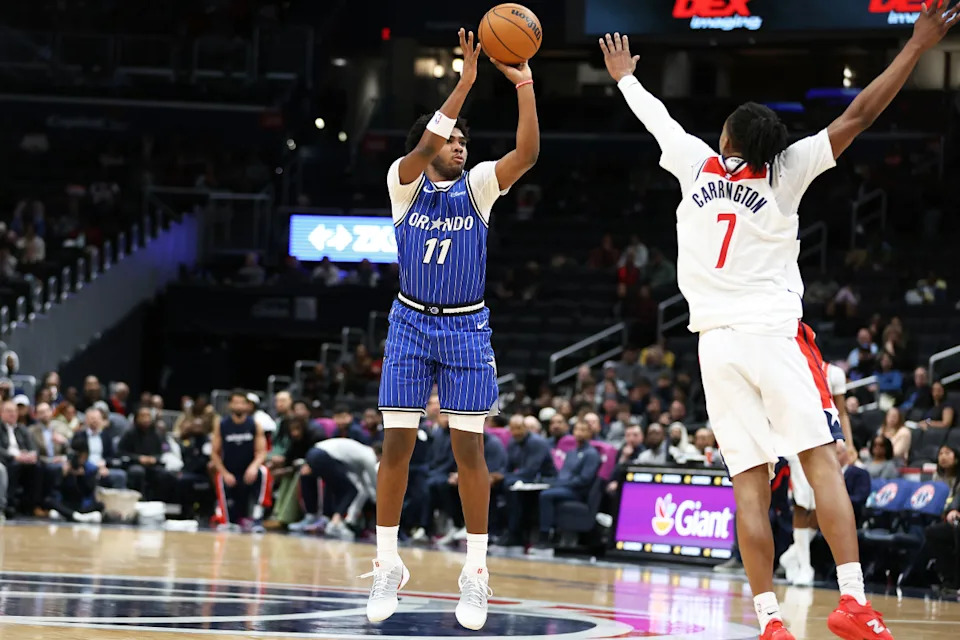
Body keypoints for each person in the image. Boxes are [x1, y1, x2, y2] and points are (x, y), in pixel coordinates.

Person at [598, 8, 960, 636]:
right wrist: (916, 44)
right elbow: (860, 114)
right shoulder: (786, 171)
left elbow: (654, 115)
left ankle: (768, 620)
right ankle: (852, 600)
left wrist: (625, 77)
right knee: (822, 461)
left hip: (714, 345)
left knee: (749, 484)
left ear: (726, 138)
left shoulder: (693, 163)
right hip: (771, 335)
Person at [365, 27, 539, 631]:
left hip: (467, 329)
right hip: (410, 321)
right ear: (428, 144)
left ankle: (476, 573)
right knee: (398, 447)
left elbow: (528, 154)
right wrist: (463, 83)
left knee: (470, 451)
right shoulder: (402, 181)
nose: (461, 146)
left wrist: (525, 86)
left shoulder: (480, 186)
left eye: (466, 140)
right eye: (452, 139)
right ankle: (388, 563)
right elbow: (430, 139)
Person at [210, 390, 270, 533]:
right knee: (219, 476)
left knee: (263, 471)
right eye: (235, 402)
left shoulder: (255, 425)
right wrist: (225, 473)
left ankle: (257, 518)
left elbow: (262, 452)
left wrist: (254, 467)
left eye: (242, 402)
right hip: (230, 471)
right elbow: (214, 453)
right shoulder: (222, 425)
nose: (239, 405)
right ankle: (228, 520)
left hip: (249, 471)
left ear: (247, 405)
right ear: (230, 405)